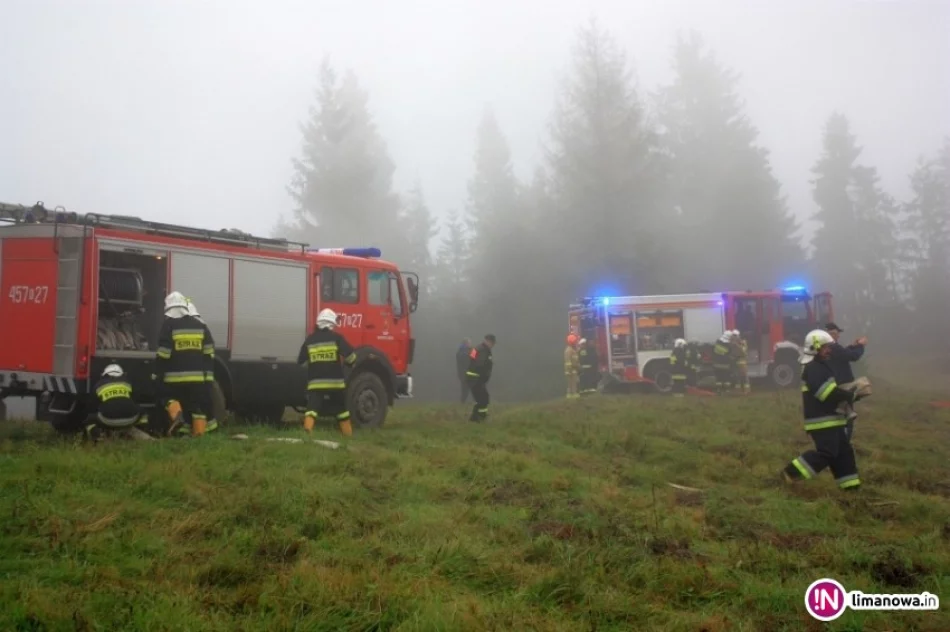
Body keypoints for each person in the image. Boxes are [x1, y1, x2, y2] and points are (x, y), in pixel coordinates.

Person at [782, 329, 868, 491]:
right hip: (822, 421)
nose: (830, 350)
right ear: (816, 348)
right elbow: (826, 393)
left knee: (844, 453)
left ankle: (850, 488)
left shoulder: (821, 366)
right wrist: (851, 394)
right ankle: (790, 474)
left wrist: (851, 394)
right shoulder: (813, 368)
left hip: (833, 419)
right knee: (827, 453)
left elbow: (832, 392)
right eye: (827, 347)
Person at [156, 291, 217, 437]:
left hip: (174, 379)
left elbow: (164, 353)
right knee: (197, 408)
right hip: (197, 379)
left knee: (167, 398)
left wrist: (157, 375)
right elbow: (209, 353)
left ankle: (178, 417)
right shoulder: (201, 326)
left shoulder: (169, 325)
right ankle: (198, 435)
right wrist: (207, 378)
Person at [298, 308, 358, 436]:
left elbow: (300, 361)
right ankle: (348, 435)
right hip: (335, 383)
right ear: (331, 324)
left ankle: (307, 431)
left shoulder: (310, 339)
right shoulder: (337, 338)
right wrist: (350, 364)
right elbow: (351, 356)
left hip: (315, 384)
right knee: (341, 410)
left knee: (312, 409)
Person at [824, 322, 869, 438]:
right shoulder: (833, 347)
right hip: (843, 387)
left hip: (834, 387)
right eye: (837, 333)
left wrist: (852, 346)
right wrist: (861, 346)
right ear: (832, 334)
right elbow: (852, 356)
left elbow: (843, 353)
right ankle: (844, 442)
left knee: (839, 417)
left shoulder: (826, 349)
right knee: (846, 419)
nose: (838, 336)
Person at [87, 363, 153, 441]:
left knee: (89, 420)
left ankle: (99, 438)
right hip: (131, 419)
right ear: (121, 374)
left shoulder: (98, 385)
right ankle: (141, 430)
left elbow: (93, 405)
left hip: (107, 421)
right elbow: (135, 399)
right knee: (142, 411)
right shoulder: (127, 383)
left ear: (105, 374)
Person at [185, 298, 218, 432]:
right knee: (204, 403)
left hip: (199, 374)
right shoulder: (202, 325)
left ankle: (199, 430)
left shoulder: (192, 325)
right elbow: (209, 352)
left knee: (195, 404)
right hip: (204, 374)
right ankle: (208, 428)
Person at [465, 334, 495, 422]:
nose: (493, 345)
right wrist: (484, 376)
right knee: (483, 398)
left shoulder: (477, 348)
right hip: (476, 378)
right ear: (488, 341)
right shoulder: (483, 350)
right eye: (492, 343)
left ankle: (475, 417)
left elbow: (471, 360)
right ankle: (480, 417)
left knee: (482, 397)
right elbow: (480, 365)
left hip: (473, 377)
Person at [732, 330, 750, 394]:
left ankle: (747, 390)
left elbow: (743, 352)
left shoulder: (743, 343)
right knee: (737, 378)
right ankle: (738, 391)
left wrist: (736, 344)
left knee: (744, 377)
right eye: (733, 335)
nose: (734, 337)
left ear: (738, 336)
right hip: (736, 363)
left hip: (742, 363)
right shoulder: (733, 343)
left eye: (735, 336)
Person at [456, 338, 472, 403]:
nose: (470, 344)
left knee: (469, 388)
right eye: (469, 343)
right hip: (464, 374)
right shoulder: (461, 352)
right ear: (466, 344)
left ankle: (463, 402)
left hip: (467, 373)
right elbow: (468, 359)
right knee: (465, 389)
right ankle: (462, 402)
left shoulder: (466, 351)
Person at [564, 334, 580, 399]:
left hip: (574, 370)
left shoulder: (573, 350)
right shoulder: (568, 351)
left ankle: (574, 396)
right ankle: (572, 397)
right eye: (575, 341)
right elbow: (568, 362)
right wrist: (570, 370)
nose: (575, 342)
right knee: (571, 385)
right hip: (571, 371)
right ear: (572, 342)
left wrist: (578, 367)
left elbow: (575, 360)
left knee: (574, 383)